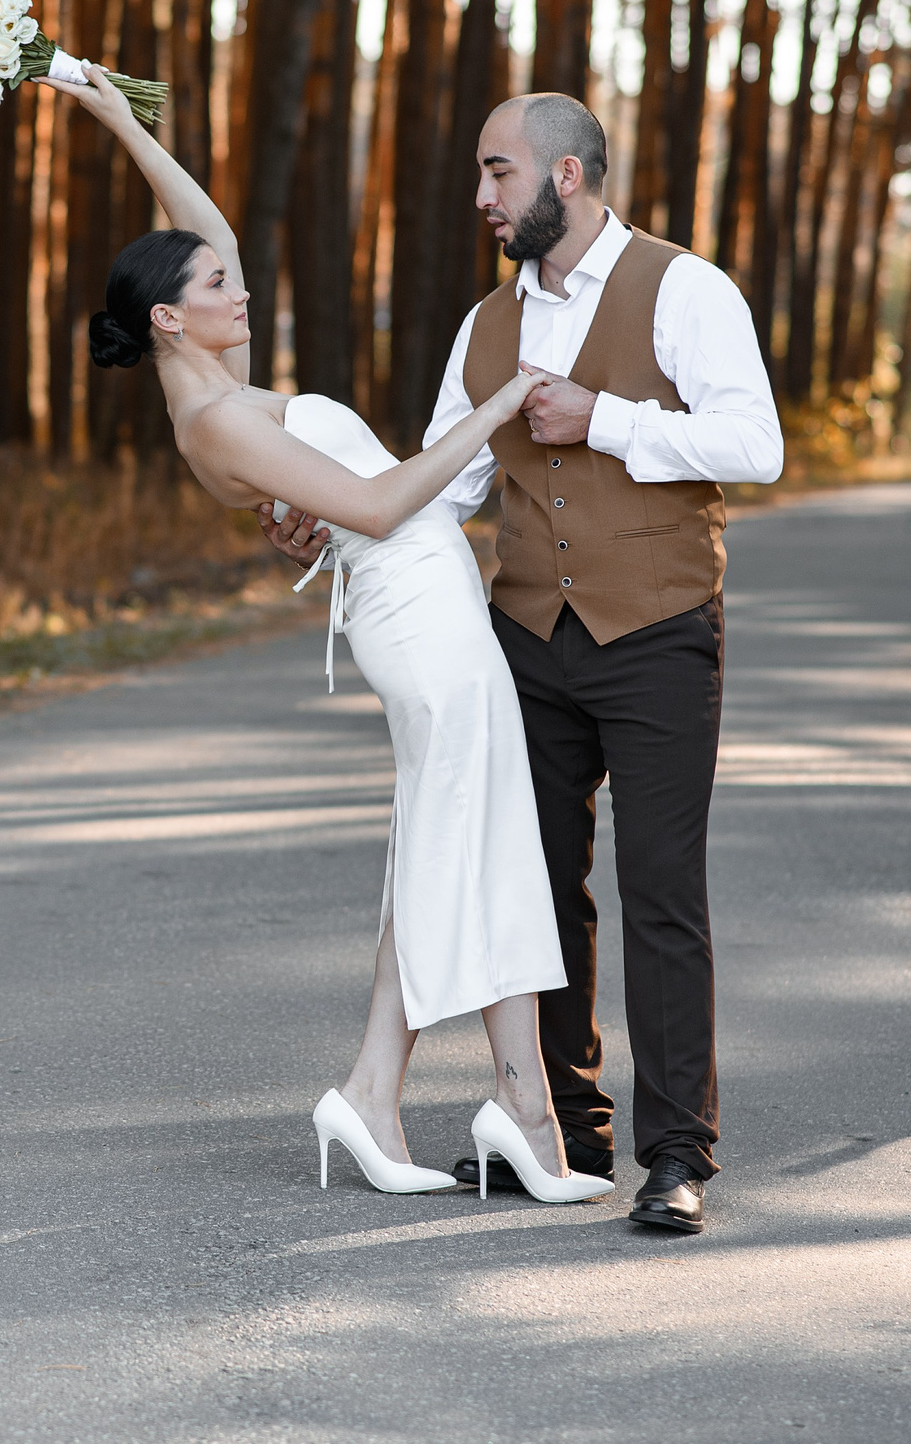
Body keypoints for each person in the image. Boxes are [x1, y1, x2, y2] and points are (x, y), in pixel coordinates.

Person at [38, 66, 610, 1205]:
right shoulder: (214, 423)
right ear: (169, 318)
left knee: (465, 834)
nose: (238, 289)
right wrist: (494, 413)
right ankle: (503, 1107)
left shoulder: (224, 379)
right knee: (474, 833)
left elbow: (205, 227)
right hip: (413, 614)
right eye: (216, 287)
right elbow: (383, 506)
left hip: (434, 602)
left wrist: (112, 117)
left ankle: (410, 1097)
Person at [264, 93, 782, 1233]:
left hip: (656, 629)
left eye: (498, 174)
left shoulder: (682, 289)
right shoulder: (482, 326)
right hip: (525, 640)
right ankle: (566, 1128)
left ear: (567, 176)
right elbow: (442, 485)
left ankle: (677, 1154)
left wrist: (604, 419)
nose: (483, 199)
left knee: (659, 893)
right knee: (537, 887)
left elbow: (755, 441)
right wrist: (333, 520)